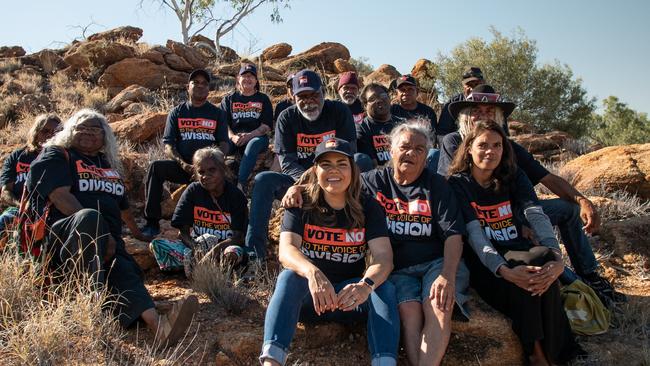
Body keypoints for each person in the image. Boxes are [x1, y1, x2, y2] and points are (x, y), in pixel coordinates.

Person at [282, 121, 468, 366]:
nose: (411, 153)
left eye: (420, 149)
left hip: (435, 262)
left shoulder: (437, 185)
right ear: (390, 150)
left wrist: (447, 274)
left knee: (438, 306)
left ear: (427, 156)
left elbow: (454, 234)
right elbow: (331, 181)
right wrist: (296, 187)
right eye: (405, 147)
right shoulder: (372, 181)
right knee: (410, 314)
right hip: (398, 269)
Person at [438, 84, 624, 306]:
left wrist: (582, 200)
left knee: (568, 210)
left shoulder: (507, 147)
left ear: (498, 118)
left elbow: (547, 178)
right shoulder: (453, 142)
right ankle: (574, 285)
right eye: (476, 111)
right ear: (465, 117)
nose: (483, 116)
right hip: (476, 219)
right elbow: (455, 190)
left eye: (489, 112)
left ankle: (590, 276)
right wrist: (517, 222)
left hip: (510, 214)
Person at [26, 109, 198, 346]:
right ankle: (86, 305)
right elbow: (59, 196)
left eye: (94, 129)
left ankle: (159, 328)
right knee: (89, 218)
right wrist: (102, 232)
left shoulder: (106, 165)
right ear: (69, 131)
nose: (87, 133)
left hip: (106, 241)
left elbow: (122, 207)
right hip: (65, 238)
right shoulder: (57, 155)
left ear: (104, 136)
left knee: (124, 269)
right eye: (81, 128)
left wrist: (139, 235)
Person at [447, 120, 583, 365]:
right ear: (469, 148)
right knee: (531, 269)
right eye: (483, 145)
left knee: (542, 262)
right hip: (484, 262)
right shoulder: (458, 183)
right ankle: (542, 353)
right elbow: (476, 236)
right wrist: (504, 271)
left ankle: (542, 353)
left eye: (497, 145)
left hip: (517, 249)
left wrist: (557, 257)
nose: (491, 151)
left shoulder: (513, 175)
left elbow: (535, 213)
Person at [260, 138, 399, 366]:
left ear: (353, 170)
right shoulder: (300, 202)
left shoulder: (369, 206)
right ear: (316, 170)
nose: (334, 171)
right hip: (311, 299)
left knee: (385, 288)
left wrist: (365, 286)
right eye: (326, 164)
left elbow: (384, 258)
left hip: (351, 299)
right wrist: (313, 273)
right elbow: (287, 250)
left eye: (341, 164)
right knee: (288, 277)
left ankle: (384, 362)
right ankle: (271, 361)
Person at [245, 69, 357, 261]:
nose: (308, 101)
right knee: (263, 180)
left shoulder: (339, 111)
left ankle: (361, 242)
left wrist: (323, 180)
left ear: (323, 92)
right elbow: (287, 162)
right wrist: (308, 183)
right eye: (302, 96)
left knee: (362, 161)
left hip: (336, 179)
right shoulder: (287, 118)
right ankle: (254, 254)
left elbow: (349, 152)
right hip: (298, 180)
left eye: (313, 94)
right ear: (294, 96)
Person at [142, 69, 230, 236]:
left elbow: (224, 143)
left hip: (207, 169)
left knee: (230, 169)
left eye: (204, 83)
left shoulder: (217, 113)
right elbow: (168, 144)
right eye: (195, 82)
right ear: (187, 87)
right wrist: (182, 163)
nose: (200, 86)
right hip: (184, 167)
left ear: (209, 89)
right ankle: (151, 222)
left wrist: (214, 162)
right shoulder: (177, 112)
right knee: (156, 167)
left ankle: (224, 223)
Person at [170, 147, 248, 271]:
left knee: (233, 253)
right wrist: (197, 250)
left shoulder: (235, 196)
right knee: (158, 246)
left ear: (223, 170)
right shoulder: (193, 191)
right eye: (201, 172)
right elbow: (183, 232)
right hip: (196, 246)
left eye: (212, 170)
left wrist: (212, 252)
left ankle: (210, 270)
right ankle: (194, 268)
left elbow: (238, 237)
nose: (206, 176)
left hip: (224, 248)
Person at [0, 113, 61, 236]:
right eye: (45, 131)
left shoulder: (64, 158)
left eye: (55, 132)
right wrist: (22, 206)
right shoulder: (18, 156)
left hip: (53, 212)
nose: (50, 135)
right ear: (36, 133)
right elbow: (5, 192)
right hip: (19, 209)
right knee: (4, 220)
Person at [220, 64, 273, 192]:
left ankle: (240, 183)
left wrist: (249, 136)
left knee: (253, 144)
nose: (248, 79)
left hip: (257, 138)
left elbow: (266, 126)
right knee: (220, 147)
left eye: (251, 76)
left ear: (256, 81)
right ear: (238, 78)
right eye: (244, 76)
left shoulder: (263, 99)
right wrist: (232, 137)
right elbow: (223, 124)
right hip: (234, 137)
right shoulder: (229, 99)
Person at [390, 75, 439, 171]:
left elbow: (432, 138)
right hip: (400, 150)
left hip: (422, 151)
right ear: (397, 94)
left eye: (410, 89)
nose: (406, 93)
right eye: (402, 90)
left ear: (417, 92)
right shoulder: (391, 111)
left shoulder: (428, 112)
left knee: (434, 153)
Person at [354, 83, 401, 172]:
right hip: (379, 176)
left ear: (389, 98)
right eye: (372, 99)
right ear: (365, 106)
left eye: (383, 95)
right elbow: (373, 164)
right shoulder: (361, 129)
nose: (379, 100)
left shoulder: (403, 124)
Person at [436, 66, 485, 145]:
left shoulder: (493, 102)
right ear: (463, 86)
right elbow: (442, 132)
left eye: (476, 84)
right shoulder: (452, 103)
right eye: (469, 85)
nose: (472, 89)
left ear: (483, 83)